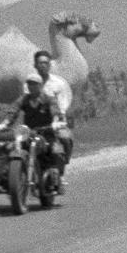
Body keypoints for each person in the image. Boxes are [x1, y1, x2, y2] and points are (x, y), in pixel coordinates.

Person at [33, 50, 74, 181]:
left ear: (50, 65)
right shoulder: (29, 84)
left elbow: (62, 106)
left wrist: (58, 120)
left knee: (65, 138)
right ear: (35, 65)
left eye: (46, 63)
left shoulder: (59, 83)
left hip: (54, 124)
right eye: (40, 63)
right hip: (33, 125)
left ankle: (61, 168)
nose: (43, 65)